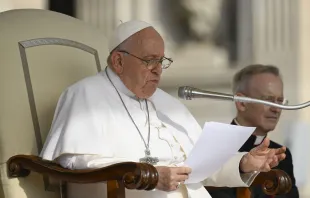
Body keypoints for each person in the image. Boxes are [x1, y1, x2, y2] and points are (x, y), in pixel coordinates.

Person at [40, 21, 286, 198]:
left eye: (162, 61)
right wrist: (151, 176)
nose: (158, 69)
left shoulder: (168, 103)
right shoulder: (84, 95)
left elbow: (200, 166)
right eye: (149, 60)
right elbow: (74, 162)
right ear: (118, 61)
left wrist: (244, 162)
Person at [208, 64, 299, 198]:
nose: (276, 109)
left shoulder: (281, 155)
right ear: (241, 103)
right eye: (268, 100)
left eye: (280, 101)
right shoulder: (212, 147)